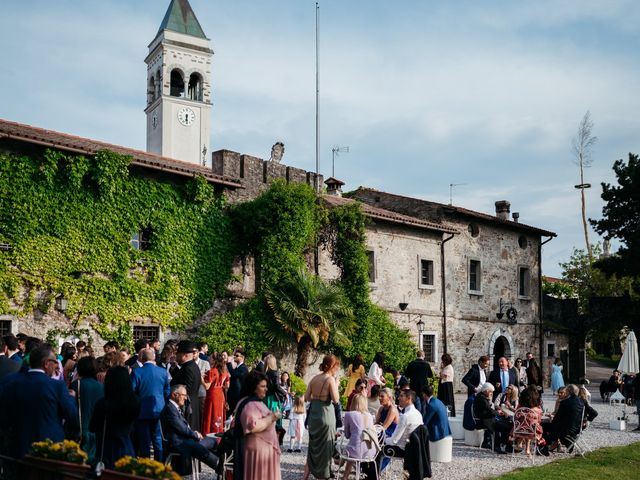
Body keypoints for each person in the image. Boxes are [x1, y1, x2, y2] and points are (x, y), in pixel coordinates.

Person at [0, 344, 79, 459]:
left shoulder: (11, 381)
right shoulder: (56, 386)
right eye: (54, 362)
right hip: (48, 448)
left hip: (17, 445)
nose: (56, 365)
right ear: (46, 363)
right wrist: (71, 398)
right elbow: (72, 416)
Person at [233, 370, 281, 480]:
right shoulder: (249, 404)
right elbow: (252, 426)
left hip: (263, 451)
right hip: (259, 453)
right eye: (263, 386)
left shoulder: (252, 401)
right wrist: (272, 418)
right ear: (254, 387)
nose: (266, 389)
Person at [90, 366, 140, 469]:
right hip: (127, 446)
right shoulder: (135, 402)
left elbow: (93, 427)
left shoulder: (103, 403)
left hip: (106, 449)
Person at [160, 384, 219, 472]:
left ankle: (222, 462)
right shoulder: (169, 409)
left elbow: (183, 426)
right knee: (198, 447)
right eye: (183, 395)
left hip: (186, 440)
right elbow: (181, 429)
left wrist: (194, 434)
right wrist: (195, 435)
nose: (185, 398)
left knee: (212, 441)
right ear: (174, 395)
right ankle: (218, 465)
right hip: (178, 443)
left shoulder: (175, 408)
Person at [302, 354, 340, 480]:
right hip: (325, 414)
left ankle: (305, 477)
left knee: (312, 448)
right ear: (333, 366)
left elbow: (307, 397)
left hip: (314, 415)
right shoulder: (330, 380)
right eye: (336, 366)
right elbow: (336, 399)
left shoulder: (314, 378)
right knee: (325, 449)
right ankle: (323, 476)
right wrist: (337, 384)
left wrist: (317, 398)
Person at [131, 347, 170, 460]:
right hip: (159, 409)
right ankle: (159, 464)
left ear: (142, 359)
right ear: (154, 358)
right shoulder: (162, 372)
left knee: (145, 441)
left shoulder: (137, 372)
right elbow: (167, 392)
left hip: (142, 410)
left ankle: (146, 465)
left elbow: (132, 391)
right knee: (157, 439)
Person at [69, 356, 104, 463]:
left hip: (78, 428)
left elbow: (70, 406)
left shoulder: (76, 384)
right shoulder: (101, 386)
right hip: (96, 429)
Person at [540, 384, 584, 454]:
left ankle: (545, 447)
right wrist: (585, 423)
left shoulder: (565, 402)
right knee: (552, 427)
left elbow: (557, 418)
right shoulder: (581, 402)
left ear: (568, 391)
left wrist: (551, 422)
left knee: (543, 426)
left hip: (565, 430)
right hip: (576, 428)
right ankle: (565, 443)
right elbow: (593, 413)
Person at [342, 393, 377, 480]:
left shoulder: (349, 414)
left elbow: (346, 435)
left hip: (356, 451)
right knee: (353, 448)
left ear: (353, 402)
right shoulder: (369, 416)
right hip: (370, 451)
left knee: (350, 451)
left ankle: (344, 476)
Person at [170, 340, 202, 431]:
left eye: (178, 354)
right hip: (192, 403)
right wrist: (173, 367)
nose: (176, 356)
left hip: (187, 405)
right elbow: (180, 376)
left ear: (185, 355)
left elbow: (185, 388)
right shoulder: (190, 366)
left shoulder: (188, 368)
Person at [472, 383, 510, 454]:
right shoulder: (482, 398)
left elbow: (489, 409)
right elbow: (489, 410)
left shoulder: (481, 396)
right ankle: (498, 445)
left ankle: (501, 444)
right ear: (486, 391)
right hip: (484, 421)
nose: (492, 393)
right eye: (491, 391)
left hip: (486, 419)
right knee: (504, 427)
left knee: (505, 425)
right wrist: (499, 413)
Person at [384, 389, 423, 456]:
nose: (398, 398)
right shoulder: (418, 414)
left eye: (401, 396)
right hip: (416, 449)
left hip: (403, 450)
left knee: (378, 448)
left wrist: (383, 440)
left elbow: (394, 441)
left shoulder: (405, 416)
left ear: (408, 399)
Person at [202, 352, 230, 435]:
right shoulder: (225, 371)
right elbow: (227, 386)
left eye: (211, 357)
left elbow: (207, 386)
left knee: (211, 414)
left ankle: (209, 433)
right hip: (220, 395)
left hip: (212, 394)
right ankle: (218, 432)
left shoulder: (211, 371)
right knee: (218, 414)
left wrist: (201, 379)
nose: (209, 359)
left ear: (214, 360)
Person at [511, 387, 545, 456]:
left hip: (519, 430)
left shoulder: (520, 407)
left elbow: (516, 417)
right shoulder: (537, 409)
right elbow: (539, 420)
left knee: (526, 426)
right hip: (533, 430)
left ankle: (520, 443)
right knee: (531, 426)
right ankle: (527, 449)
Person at [264, 354, 287, 429]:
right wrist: (285, 393)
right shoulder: (275, 373)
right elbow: (277, 386)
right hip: (273, 398)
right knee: (275, 417)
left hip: (265, 398)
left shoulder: (265, 373)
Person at [227, 347, 249, 412]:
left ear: (242, 357)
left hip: (238, 396)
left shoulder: (244, 368)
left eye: (237, 356)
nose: (235, 357)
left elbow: (234, 375)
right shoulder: (237, 368)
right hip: (233, 397)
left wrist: (228, 364)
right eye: (234, 355)